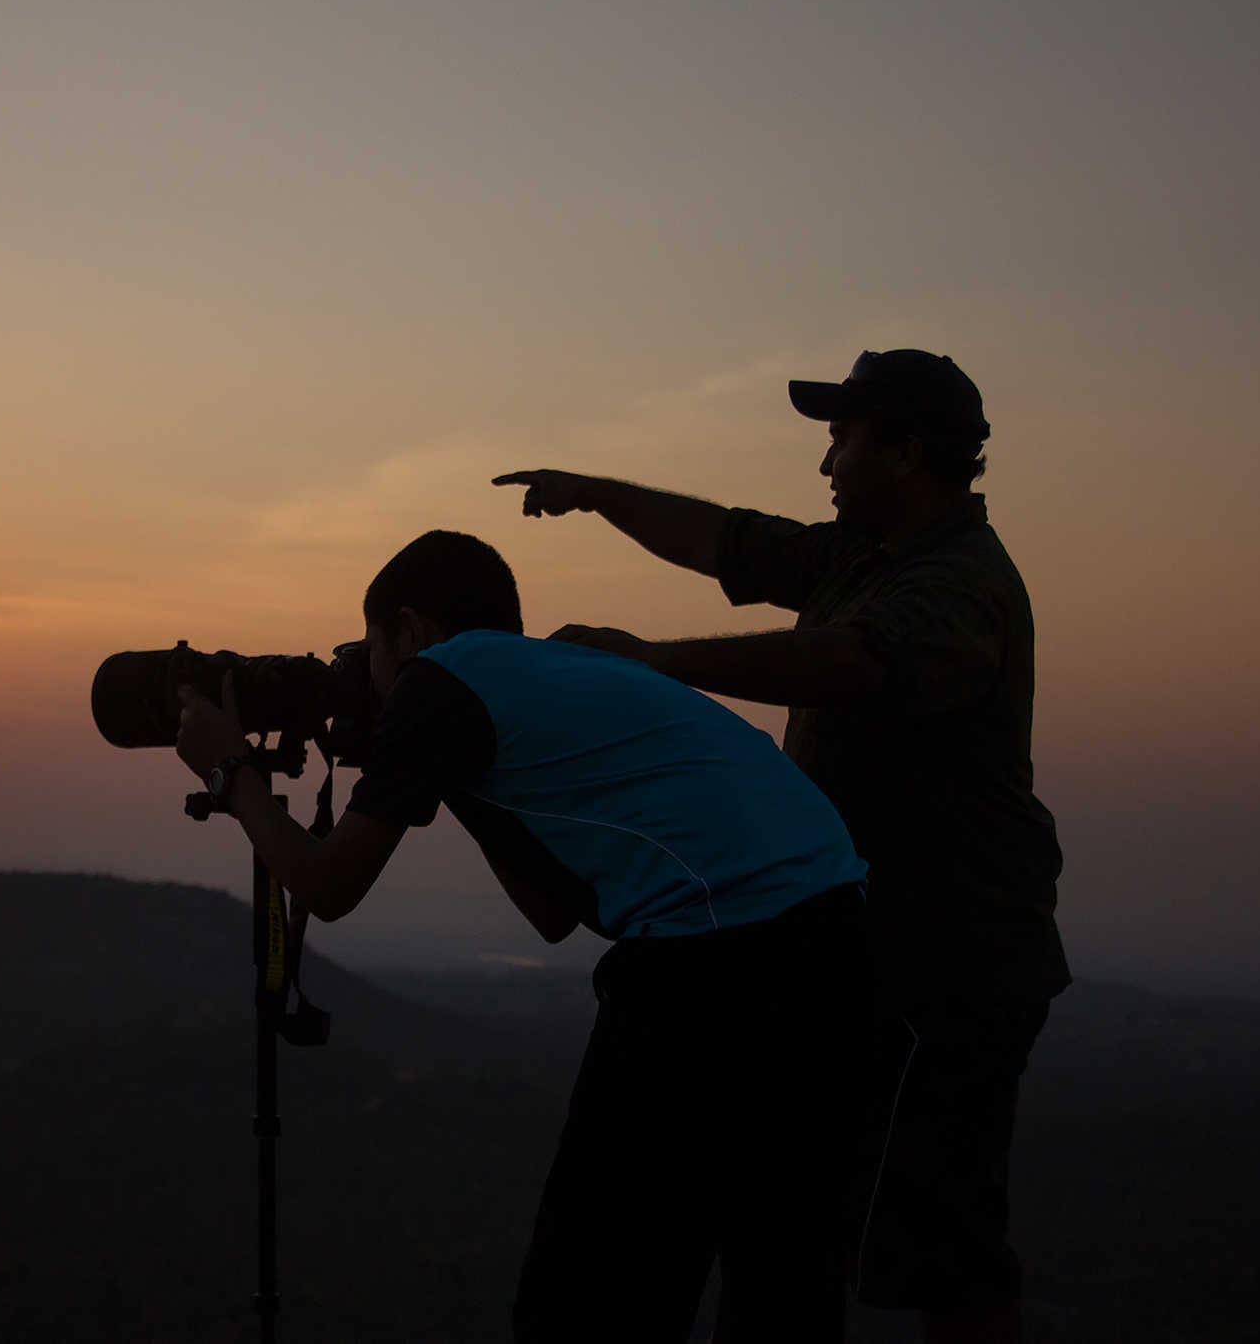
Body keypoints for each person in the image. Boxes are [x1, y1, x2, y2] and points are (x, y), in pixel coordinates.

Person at [495, 348, 1067, 1344]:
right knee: (823, 1228)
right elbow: (727, 540)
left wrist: (653, 663)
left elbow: (850, 661)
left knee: (946, 1241)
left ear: (907, 451)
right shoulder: (859, 557)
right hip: (870, 947)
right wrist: (594, 495)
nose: (825, 466)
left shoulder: (956, 585)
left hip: (952, 957)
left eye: (841, 442)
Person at [174, 529, 873, 1342]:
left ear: (409, 631)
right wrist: (446, 773)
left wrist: (232, 775)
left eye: (369, 651)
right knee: (780, 1299)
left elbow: (329, 886)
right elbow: (551, 911)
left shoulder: (441, 677)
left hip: (717, 960)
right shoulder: (544, 677)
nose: (362, 680)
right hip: (836, 945)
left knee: (582, 1307)